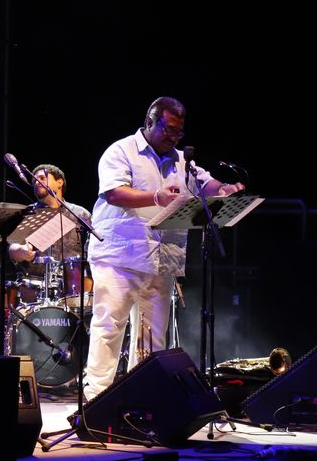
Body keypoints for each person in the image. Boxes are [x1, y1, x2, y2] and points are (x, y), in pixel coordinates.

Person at [84, 96, 244, 400]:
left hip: (162, 259)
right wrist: (156, 197)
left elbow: (205, 183)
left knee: (152, 338)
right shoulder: (120, 151)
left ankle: (141, 401)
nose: (174, 137)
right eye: (169, 129)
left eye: (178, 132)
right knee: (109, 328)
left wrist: (224, 190)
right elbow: (114, 193)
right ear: (150, 121)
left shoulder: (182, 161)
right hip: (120, 256)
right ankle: (96, 401)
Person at [8, 164, 91, 302]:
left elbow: (94, 250)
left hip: (74, 288)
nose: (36, 182)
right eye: (34, 180)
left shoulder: (79, 214)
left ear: (59, 182)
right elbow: (12, 248)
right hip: (34, 289)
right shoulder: (27, 214)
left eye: (42, 178)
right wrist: (21, 251)